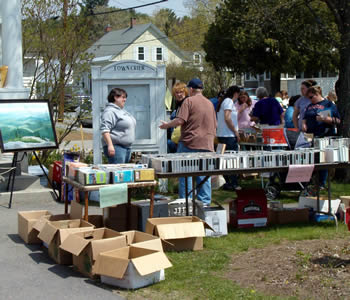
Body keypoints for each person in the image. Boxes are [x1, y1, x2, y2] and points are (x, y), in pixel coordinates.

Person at [159, 78, 217, 206]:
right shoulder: (209, 103)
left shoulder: (189, 101)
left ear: (190, 89)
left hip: (189, 143)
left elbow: (180, 121)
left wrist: (167, 125)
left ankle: (186, 203)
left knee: (186, 176)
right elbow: (215, 124)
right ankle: (205, 204)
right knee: (204, 175)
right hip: (207, 144)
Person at [302, 85, 340, 188]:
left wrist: (326, 119)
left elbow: (338, 120)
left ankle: (321, 183)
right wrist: (304, 124)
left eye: (311, 97)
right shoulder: (309, 106)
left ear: (317, 94)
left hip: (324, 134)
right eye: (308, 98)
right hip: (309, 135)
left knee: (322, 159)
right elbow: (305, 117)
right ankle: (308, 181)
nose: (310, 100)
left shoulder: (329, 104)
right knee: (309, 158)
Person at [100, 88, 136, 163]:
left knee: (124, 172)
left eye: (125, 97)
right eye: (123, 97)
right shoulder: (110, 112)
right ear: (115, 97)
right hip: (116, 147)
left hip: (126, 147)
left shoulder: (121, 111)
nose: (125, 99)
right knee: (118, 173)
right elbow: (105, 130)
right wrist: (110, 145)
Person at [216, 85, 241, 191]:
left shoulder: (224, 101)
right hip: (228, 135)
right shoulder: (229, 102)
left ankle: (227, 182)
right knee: (232, 160)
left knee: (225, 160)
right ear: (236, 93)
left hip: (223, 134)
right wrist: (235, 131)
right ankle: (233, 183)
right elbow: (227, 118)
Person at [167, 82, 189, 153]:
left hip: (185, 139)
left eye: (181, 92)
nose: (179, 94)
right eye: (177, 92)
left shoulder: (187, 103)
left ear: (185, 92)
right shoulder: (178, 105)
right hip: (177, 139)